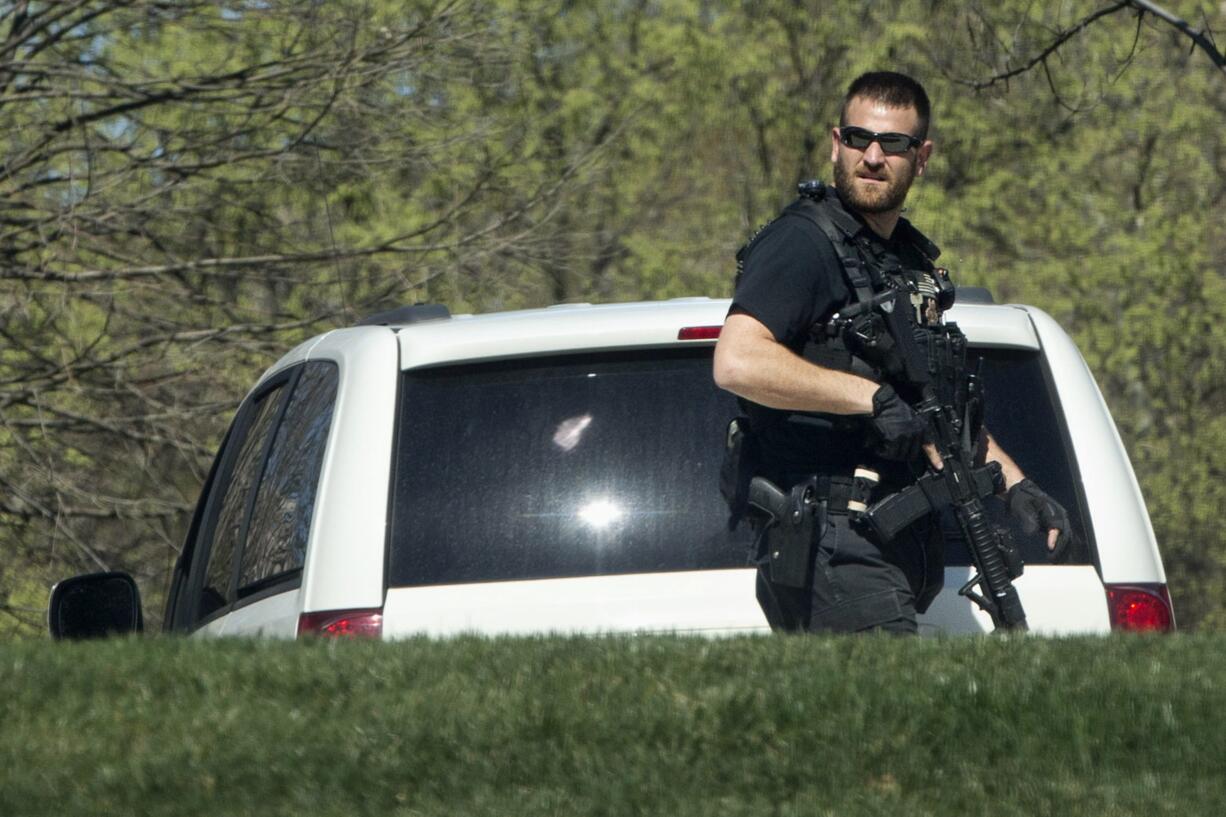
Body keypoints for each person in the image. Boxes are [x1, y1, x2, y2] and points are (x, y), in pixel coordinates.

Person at [713, 71, 1072, 634]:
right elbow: (737, 361)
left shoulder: (903, 261)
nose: (872, 157)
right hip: (830, 546)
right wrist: (870, 397)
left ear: (921, 156)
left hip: (894, 547)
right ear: (837, 143)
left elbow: (930, 412)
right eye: (858, 139)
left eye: (894, 144)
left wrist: (1014, 482)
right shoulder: (803, 243)